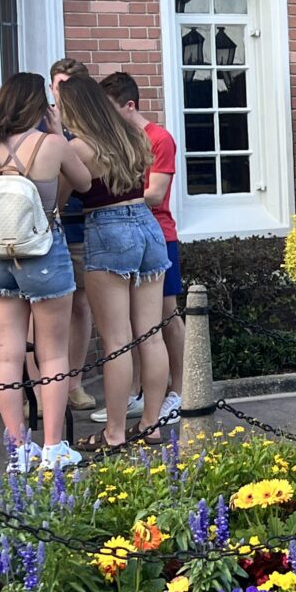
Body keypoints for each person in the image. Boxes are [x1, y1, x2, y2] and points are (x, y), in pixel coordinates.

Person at [0, 73, 92, 470]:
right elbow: (84, 182)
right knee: (53, 353)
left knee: (8, 354)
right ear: (37, 105)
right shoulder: (51, 144)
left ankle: (18, 449)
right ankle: (52, 447)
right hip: (44, 252)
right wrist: (58, 131)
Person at [58, 76, 170, 450]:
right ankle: (152, 425)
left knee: (116, 340)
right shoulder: (132, 136)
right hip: (147, 225)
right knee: (151, 334)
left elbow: (58, 200)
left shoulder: (80, 147)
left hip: (108, 229)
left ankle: (115, 432)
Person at [100, 72, 183, 425]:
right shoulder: (117, 141)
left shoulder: (159, 139)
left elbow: (156, 194)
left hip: (160, 236)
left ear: (129, 105)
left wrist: (113, 197)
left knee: (167, 315)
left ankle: (179, 392)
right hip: (128, 237)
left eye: (109, 109)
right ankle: (138, 393)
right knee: (135, 322)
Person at [49, 58, 100, 412]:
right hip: (47, 226)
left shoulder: (91, 123)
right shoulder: (39, 118)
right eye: (58, 86)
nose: (62, 93)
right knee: (43, 308)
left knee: (80, 304)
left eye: (68, 85)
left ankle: (75, 384)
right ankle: (41, 389)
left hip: (80, 222)